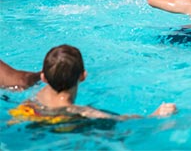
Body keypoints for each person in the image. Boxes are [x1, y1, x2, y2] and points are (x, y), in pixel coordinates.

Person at [9, 45, 175, 123]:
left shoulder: (34, 98)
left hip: (24, 115)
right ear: (83, 76)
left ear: (44, 78)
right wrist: (155, 116)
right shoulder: (80, 112)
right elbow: (121, 120)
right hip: (64, 125)